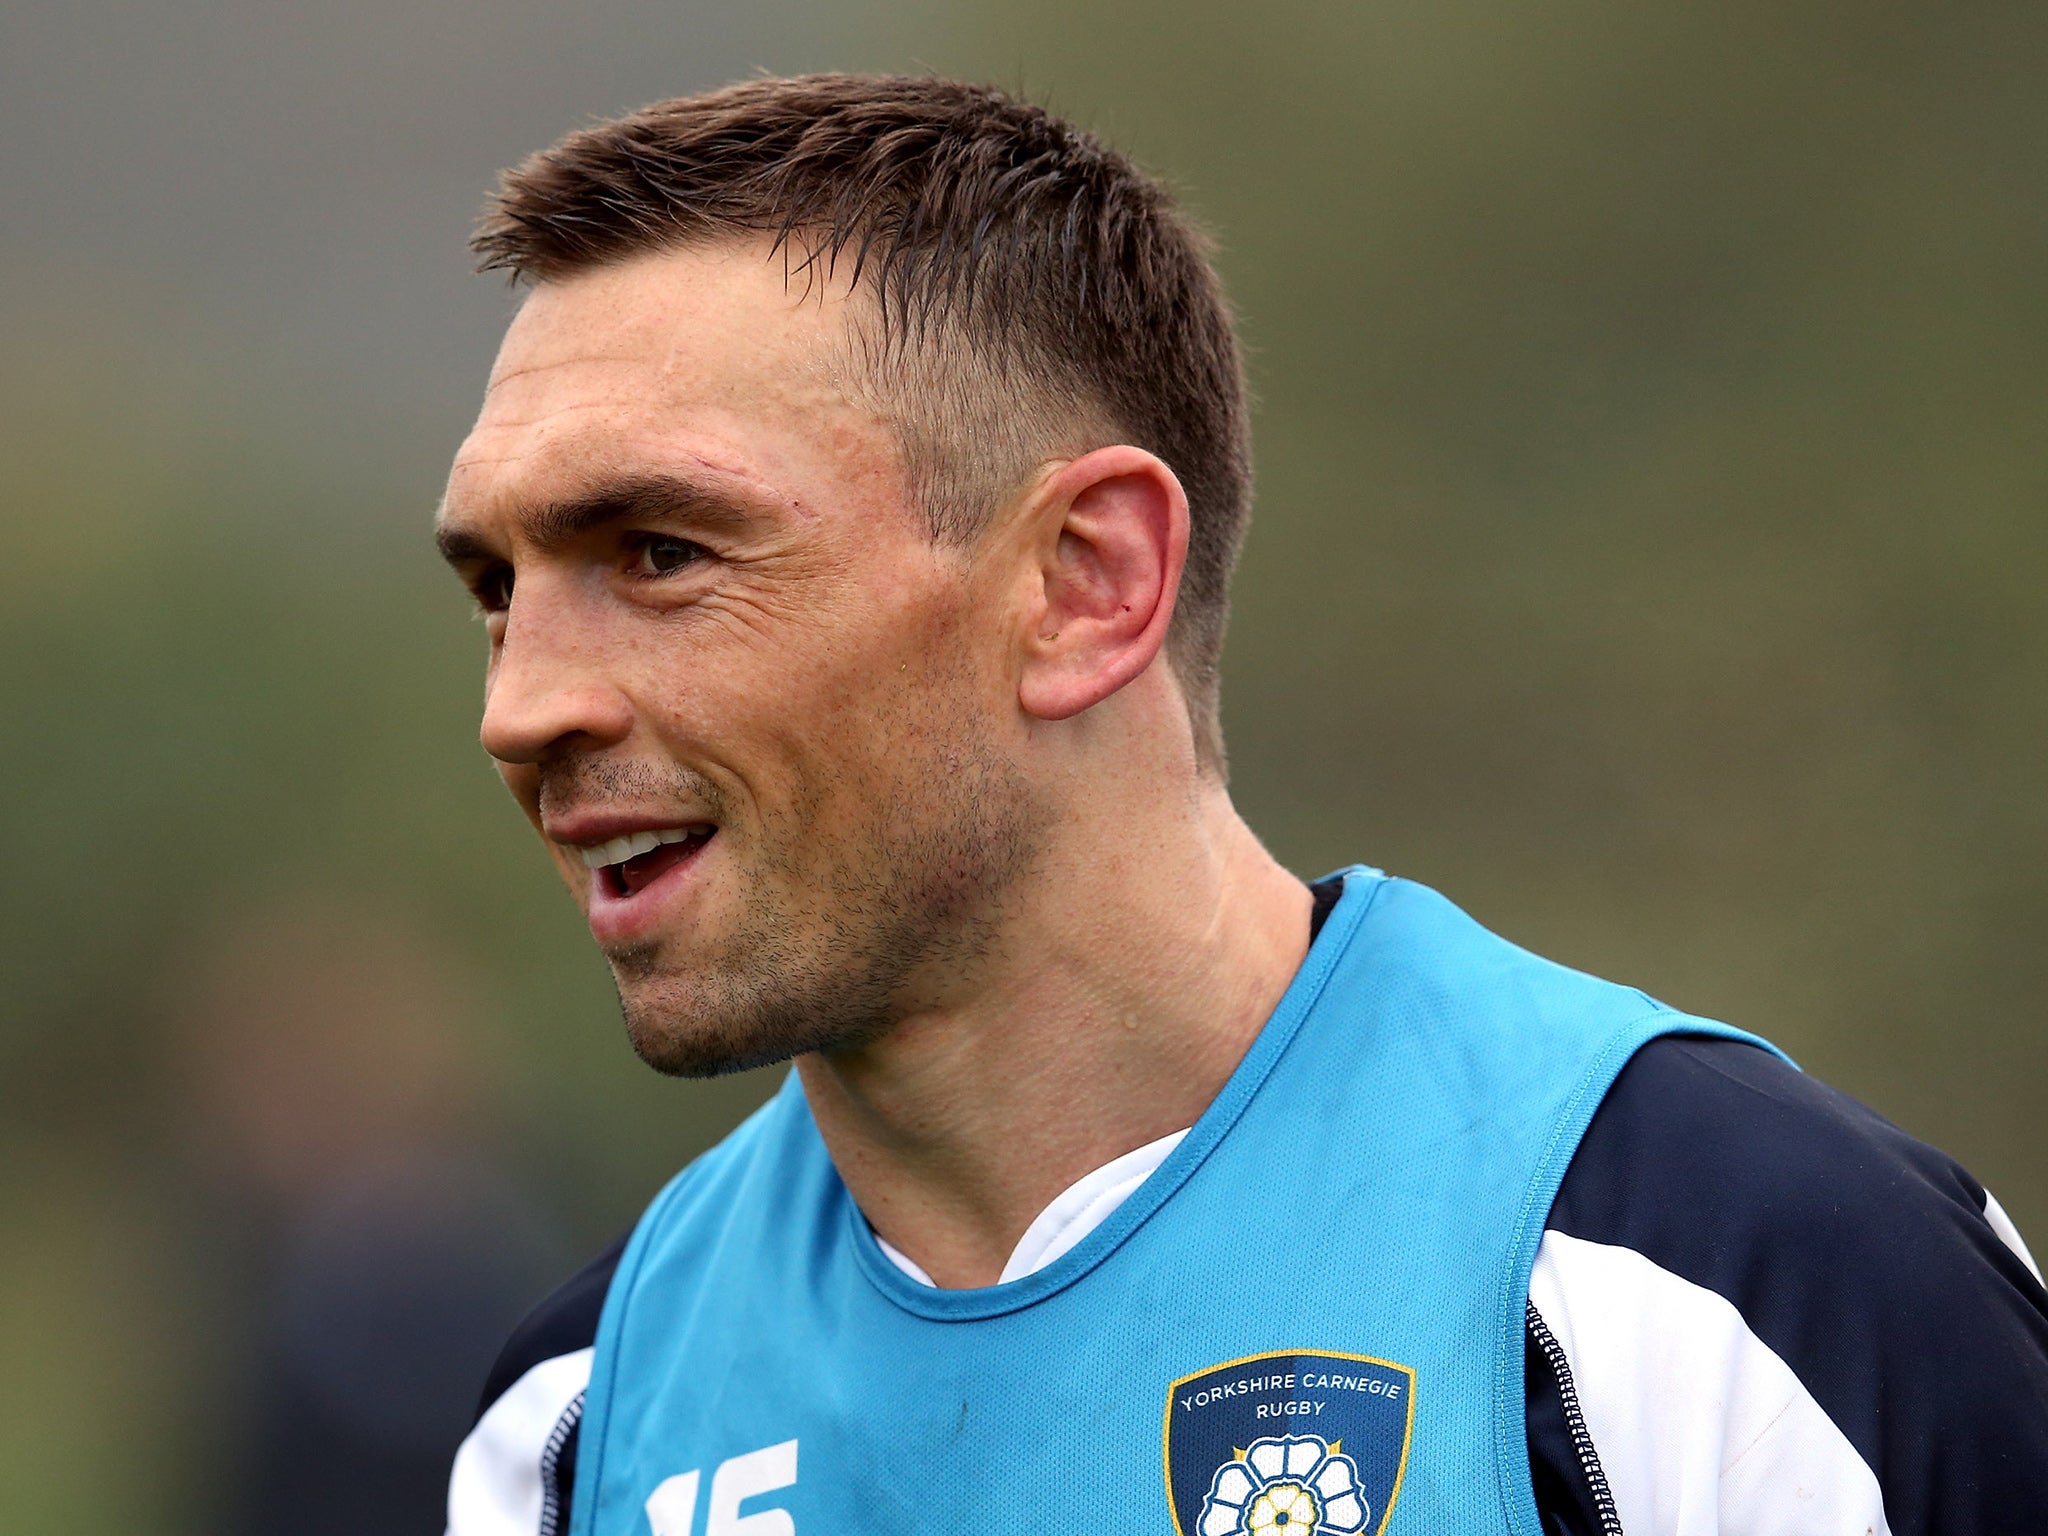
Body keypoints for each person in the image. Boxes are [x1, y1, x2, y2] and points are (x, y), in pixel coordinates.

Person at [434, 75, 2048, 1535]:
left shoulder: (1722, 1293)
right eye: (500, 588)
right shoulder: (571, 1431)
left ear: (1086, 584)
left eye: (661, 554)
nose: (523, 709)